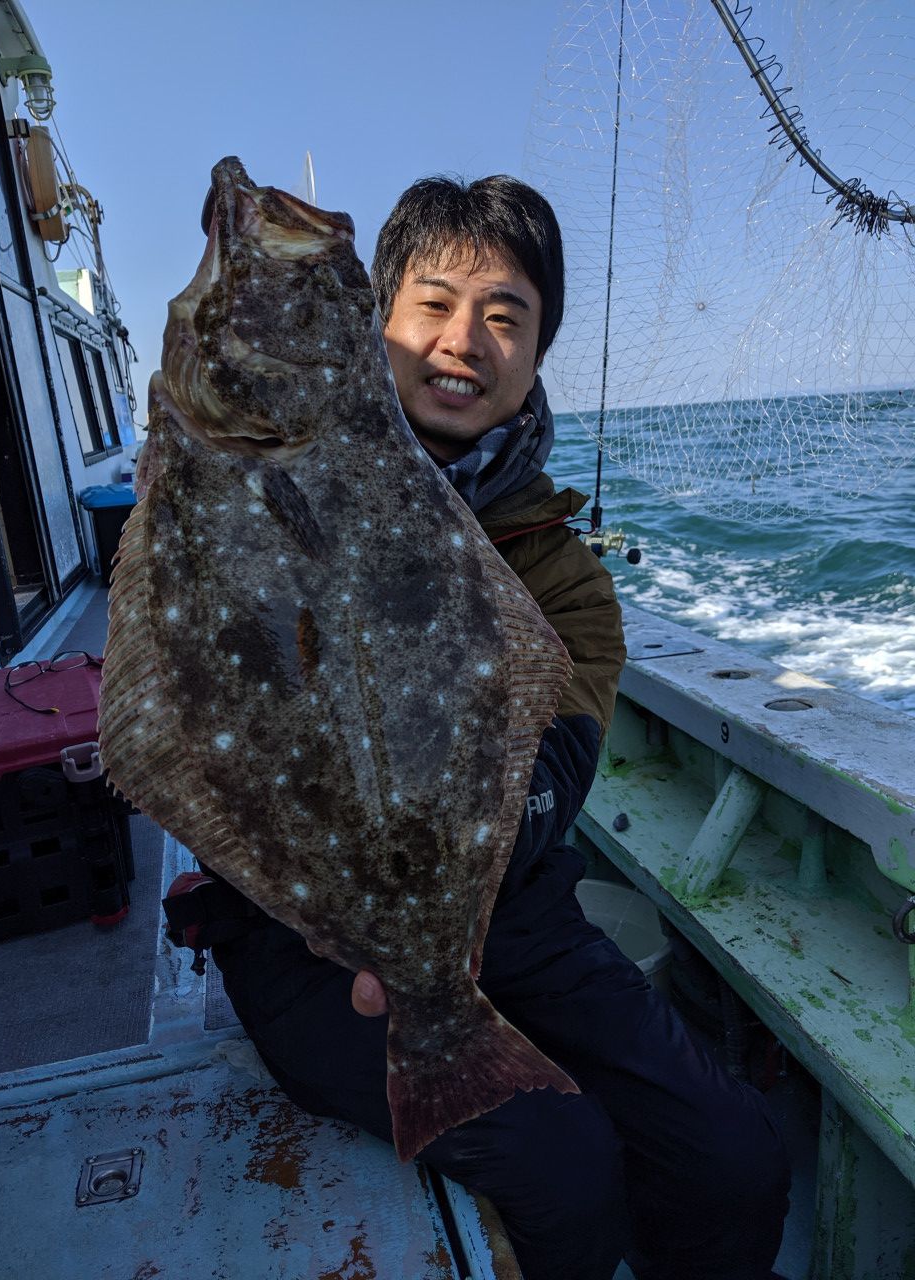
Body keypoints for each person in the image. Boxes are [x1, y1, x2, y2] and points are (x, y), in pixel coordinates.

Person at [197, 175, 791, 1280]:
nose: (463, 339)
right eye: (432, 303)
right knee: (564, 1168)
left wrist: (425, 900)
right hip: (299, 938)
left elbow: (557, 769)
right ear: (377, 320)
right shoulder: (268, 489)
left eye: (504, 315)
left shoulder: (563, 576)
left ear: (535, 353)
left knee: (738, 1156)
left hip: (509, 918)